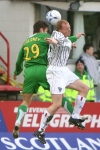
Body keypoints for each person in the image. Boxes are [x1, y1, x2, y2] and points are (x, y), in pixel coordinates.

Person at [13, 20, 87, 139]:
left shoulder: (26, 42)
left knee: (26, 101)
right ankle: (73, 115)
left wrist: (16, 72)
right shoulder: (45, 36)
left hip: (29, 71)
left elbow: (18, 60)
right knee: (59, 98)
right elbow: (59, 41)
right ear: (42, 29)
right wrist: (73, 39)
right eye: (46, 30)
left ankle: (18, 122)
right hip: (44, 70)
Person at [34, 20, 89, 144]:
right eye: (66, 28)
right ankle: (40, 130)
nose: (69, 30)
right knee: (57, 104)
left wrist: (72, 43)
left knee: (85, 88)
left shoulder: (66, 38)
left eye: (69, 27)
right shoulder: (57, 35)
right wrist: (55, 42)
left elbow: (66, 41)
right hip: (55, 71)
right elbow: (57, 41)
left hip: (64, 70)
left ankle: (75, 116)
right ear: (60, 30)